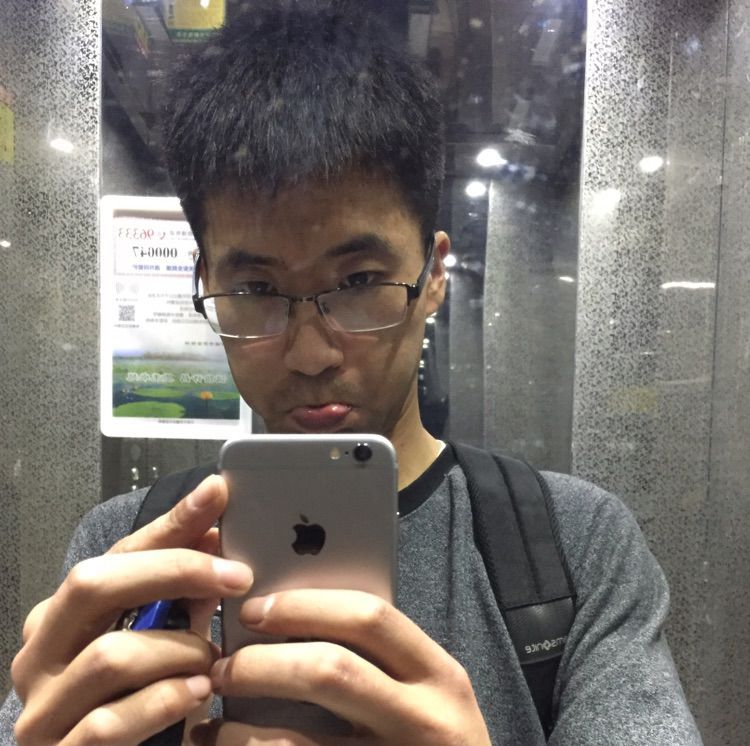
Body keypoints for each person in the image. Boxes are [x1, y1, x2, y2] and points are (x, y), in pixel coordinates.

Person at [2, 2, 702, 744]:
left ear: (434, 274)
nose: (311, 354)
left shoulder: (572, 543)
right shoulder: (126, 548)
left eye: (360, 280)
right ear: (205, 282)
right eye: (257, 289)